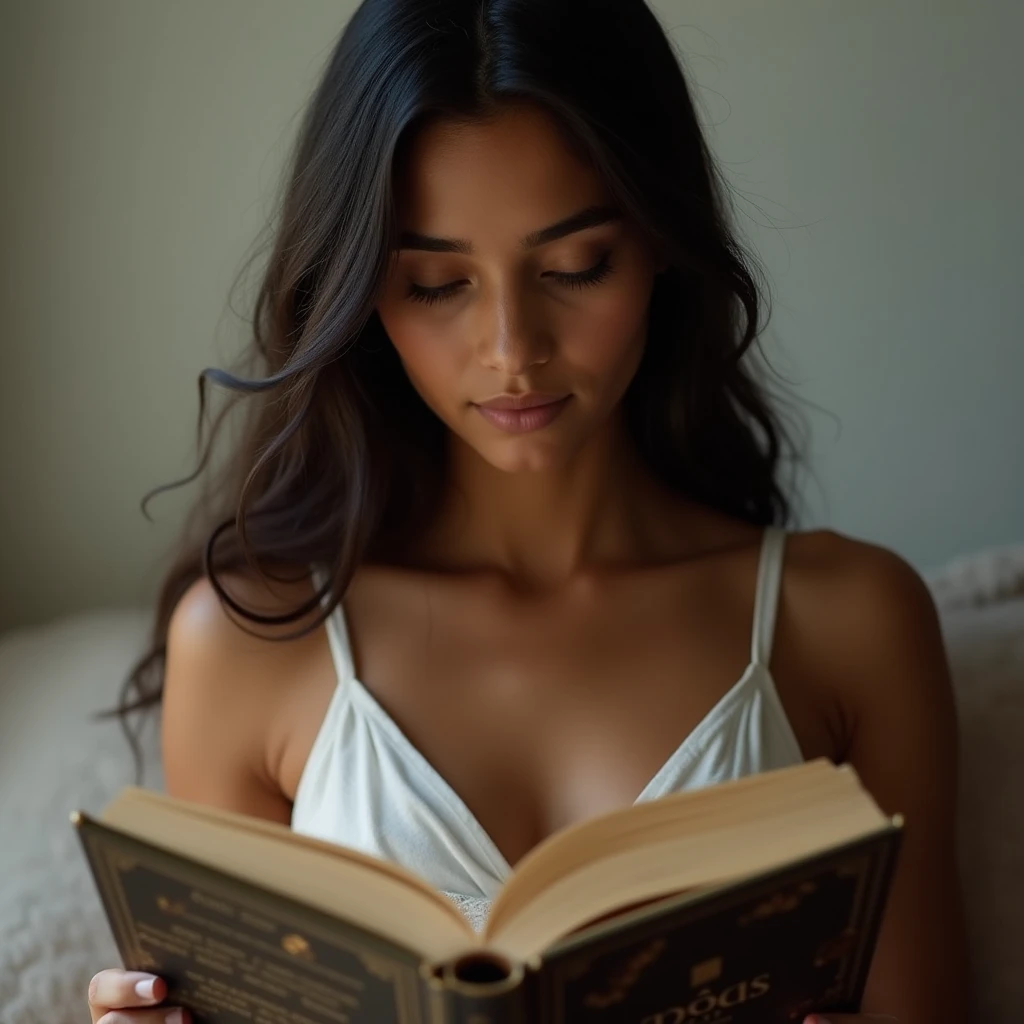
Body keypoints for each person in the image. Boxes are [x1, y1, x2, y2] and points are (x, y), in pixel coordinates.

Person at [86, 0, 970, 1021]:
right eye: (434, 283)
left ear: (659, 244)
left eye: (572, 267)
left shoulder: (851, 622)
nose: (512, 348)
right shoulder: (250, 643)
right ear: (361, 293)